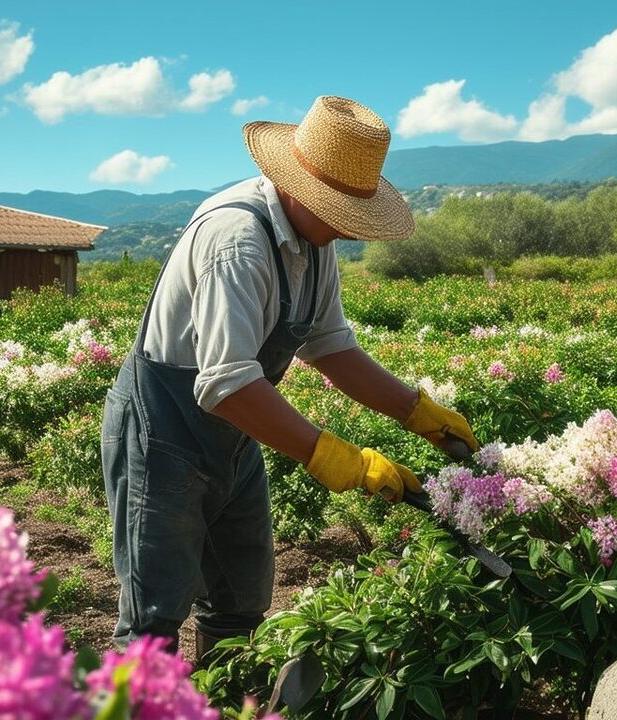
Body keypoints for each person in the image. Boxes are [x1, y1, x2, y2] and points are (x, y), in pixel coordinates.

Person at [100, 95, 479, 659]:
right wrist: (333, 455)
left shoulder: (313, 241)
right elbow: (225, 383)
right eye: (339, 212)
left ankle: (220, 699)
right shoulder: (238, 241)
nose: (347, 230)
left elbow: (331, 347)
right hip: (164, 431)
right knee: (153, 617)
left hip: (232, 433)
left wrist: (417, 413)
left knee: (239, 598)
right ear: (299, 187)